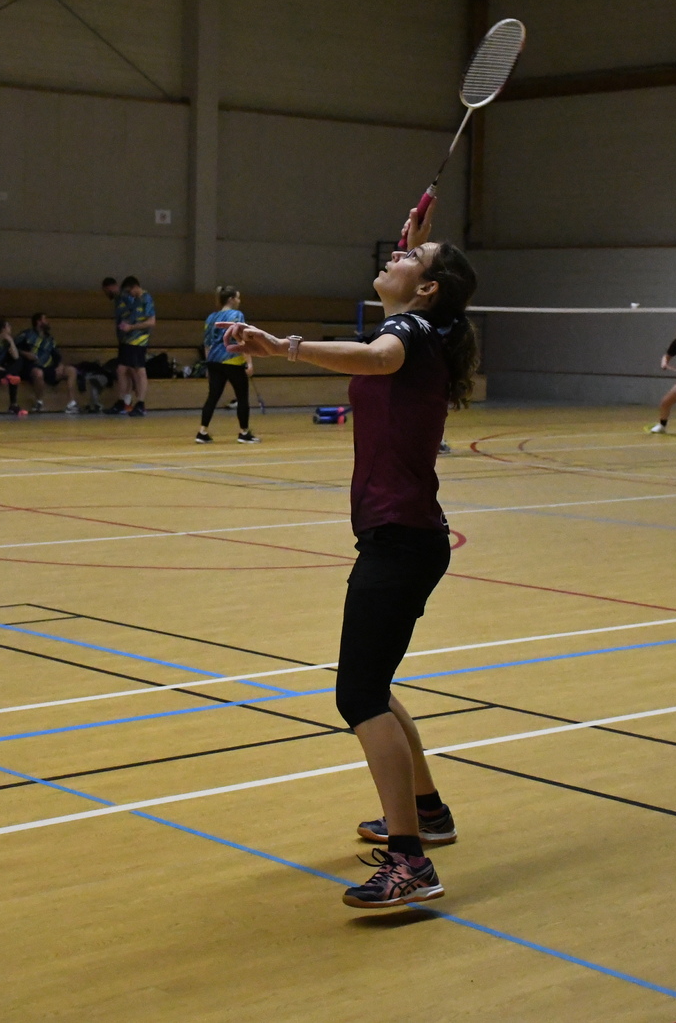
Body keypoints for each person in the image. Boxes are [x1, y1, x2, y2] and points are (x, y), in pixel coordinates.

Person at [224, 202, 472, 909]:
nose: (394, 255)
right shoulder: (430, 323)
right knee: (376, 685)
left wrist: (284, 346)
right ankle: (427, 813)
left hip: (400, 538)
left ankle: (410, 863)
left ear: (426, 288)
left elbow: (380, 355)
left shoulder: (408, 333)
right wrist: (418, 244)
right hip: (407, 535)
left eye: (407, 258)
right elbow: (413, 298)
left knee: (359, 696)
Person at [195, 286, 258, 444]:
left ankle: (202, 432)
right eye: (237, 297)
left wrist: (208, 364)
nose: (239, 300)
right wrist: (249, 362)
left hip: (214, 361)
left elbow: (207, 343)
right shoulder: (237, 315)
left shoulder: (211, 318)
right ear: (231, 299)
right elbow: (241, 339)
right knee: (242, 397)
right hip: (232, 360)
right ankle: (244, 433)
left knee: (212, 397)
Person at [109, 275, 155, 416]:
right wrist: (126, 325)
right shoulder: (135, 300)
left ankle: (141, 403)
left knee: (139, 370)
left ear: (135, 287)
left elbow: (151, 322)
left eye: (130, 291)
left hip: (139, 340)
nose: (130, 294)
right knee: (121, 369)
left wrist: (132, 327)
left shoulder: (146, 298)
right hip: (128, 339)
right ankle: (122, 401)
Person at [18, 313, 79, 414]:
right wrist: (26, 354)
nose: (48, 321)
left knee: (71, 370)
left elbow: (56, 355)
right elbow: (14, 347)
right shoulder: (26, 334)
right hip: (32, 366)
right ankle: (39, 403)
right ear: (38, 322)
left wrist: (60, 364)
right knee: (38, 373)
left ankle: (71, 404)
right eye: (45, 319)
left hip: (48, 368)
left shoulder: (49, 339)